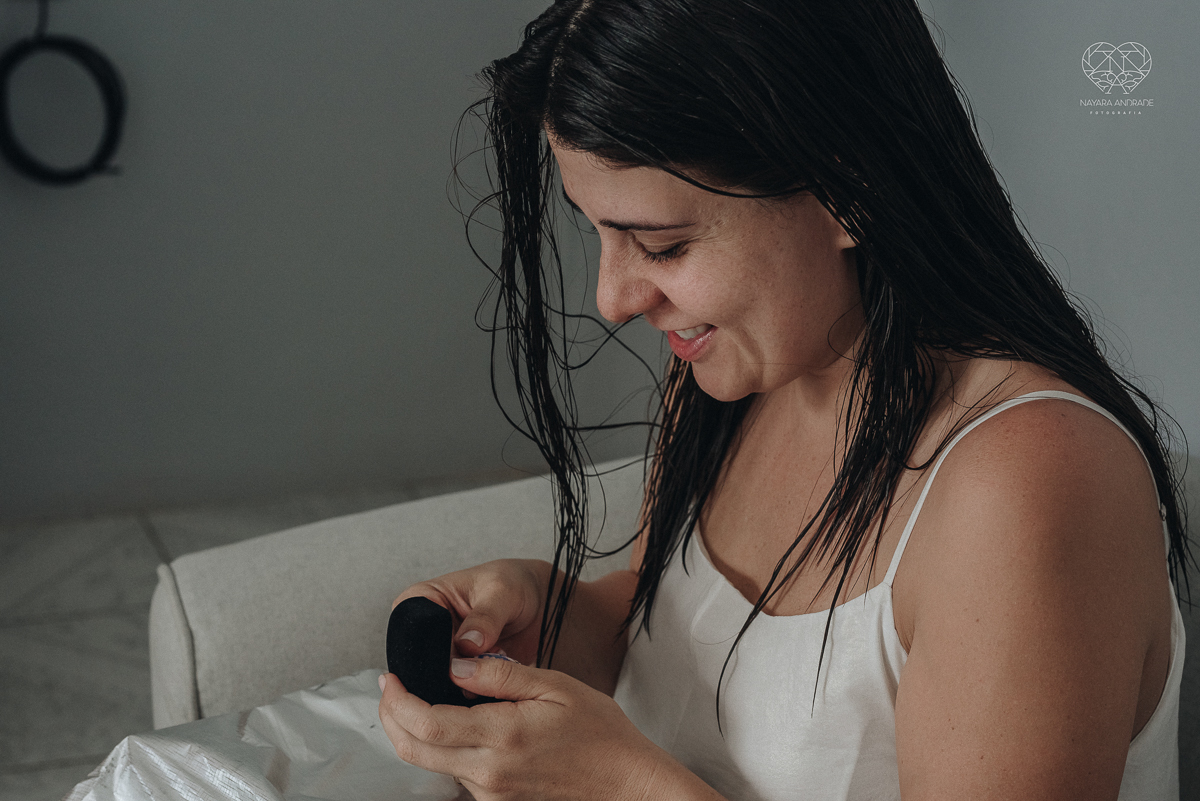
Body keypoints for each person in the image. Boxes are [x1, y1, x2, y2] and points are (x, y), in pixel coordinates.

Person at [377, 1, 1191, 798]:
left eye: (663, 244)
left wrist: (619, 784)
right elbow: (700, 645)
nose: (613, 297)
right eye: (598, 231)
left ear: (848, 189)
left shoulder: (1026, 487)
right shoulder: (731, 376)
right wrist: (563, 616)